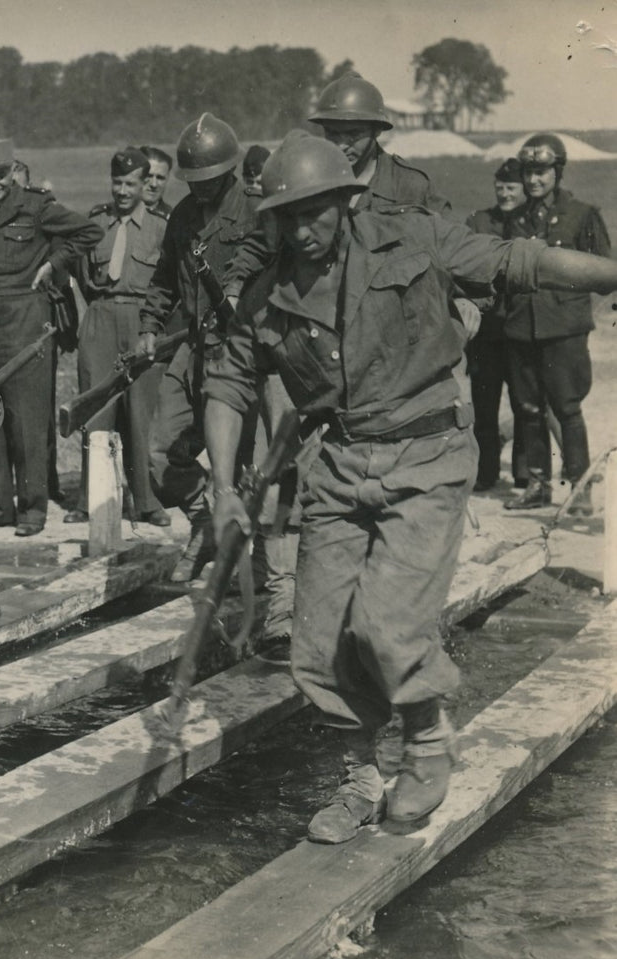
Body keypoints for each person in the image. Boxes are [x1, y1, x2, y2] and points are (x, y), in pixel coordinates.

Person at [204, 130, 617, 844]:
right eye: (286, 217)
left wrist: (614, 276)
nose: (302, 231)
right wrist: (221, 487)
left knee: (387, 625)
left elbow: (523, 261)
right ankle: (358, 774)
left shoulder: (414, 237)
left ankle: (426, 734)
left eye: (315, 213)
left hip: (427, 456)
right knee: (317, 641)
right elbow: (228, 383)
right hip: (339, 465)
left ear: (343, 201)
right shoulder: (268, 293)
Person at [0, 137, 100, 536]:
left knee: (27, 420)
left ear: (11, 171)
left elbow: (89, 232)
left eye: (0, 176)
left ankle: (33, 509)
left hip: (24, 319)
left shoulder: (36, 207)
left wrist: (53, 264)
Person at [136, 114, 260, 580]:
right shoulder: (184, 215)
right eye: (195, 180)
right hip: (193, 346)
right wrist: (150, 323)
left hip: (241, 351)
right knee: (162, 452)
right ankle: (204, 522)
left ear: (228, 170)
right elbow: (166, 275)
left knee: (243, 460)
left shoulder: (254, 209)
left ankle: (243, 558)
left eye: (210, 179)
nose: (202, 188)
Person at [502, 133, 611, 512]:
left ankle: (579, 489)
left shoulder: (582, 215)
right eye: (529, 172)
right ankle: (538, 486)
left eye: (542, 172)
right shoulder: (513, 218)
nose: (533, 180)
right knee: (528, 409)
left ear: (558, 172)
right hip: (520, 326)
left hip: (564, 328)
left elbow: (604, 269)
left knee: (567, 408)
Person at [65, 147, 169, 528]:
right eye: (117, 183)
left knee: (142, 414)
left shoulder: (160, 228)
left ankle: (146, 501)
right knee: (95, 409)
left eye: (130, 183)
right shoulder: (95, 223)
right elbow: (82, 273)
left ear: (145, 185)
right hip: (101, 317)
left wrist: (150, 328)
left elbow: (167, 283)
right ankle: (91, 499)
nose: (122, 191)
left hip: (141, 321)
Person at [464, 157, 527, 491]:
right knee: (485, 408)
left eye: (511, 188)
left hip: (520, 333)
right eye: (500, 187)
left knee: (524, 404)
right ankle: (486, 472)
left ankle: (524, 473)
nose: (504, 194)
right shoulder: (479, 221)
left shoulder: (531, 221)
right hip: (487, 335)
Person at [307, 71, 448, 216]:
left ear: (377, 130)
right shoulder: (308, 179)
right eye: (332, 133)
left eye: (353, 134)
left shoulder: (410, 185)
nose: (341, 146)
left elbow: (453, 235)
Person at [138, 146, 172, 214]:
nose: (154, 184)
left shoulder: (174, 217)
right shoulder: (113, 215)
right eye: (148, 176)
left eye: (160, 178)